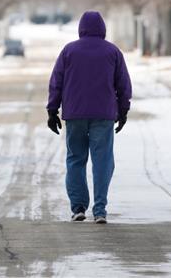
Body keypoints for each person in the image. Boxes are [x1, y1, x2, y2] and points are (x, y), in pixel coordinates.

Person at [47, 11, 132, 224]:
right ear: (103, 28)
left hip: (74, 114)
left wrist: (52, 110)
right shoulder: (112, 52)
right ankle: (100, 209)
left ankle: (78, 207)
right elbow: (123, 84)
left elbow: (56, 81)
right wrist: (123, 111)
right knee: (102, 161)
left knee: (75, 159)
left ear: (81, 28)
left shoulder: (69, 51)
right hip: (103, 114)